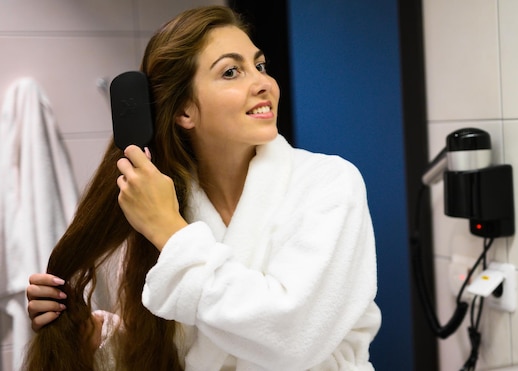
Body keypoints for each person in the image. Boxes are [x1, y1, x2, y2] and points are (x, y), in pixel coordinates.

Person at [23, 5, 381, 371]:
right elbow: (177, 350)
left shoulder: (329, 183)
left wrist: (169, 231)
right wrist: (97, 337)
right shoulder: (169, 201)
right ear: (184, 112)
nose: (263, 83)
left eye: (259, 66)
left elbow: (291, 339)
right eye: (231, 72)